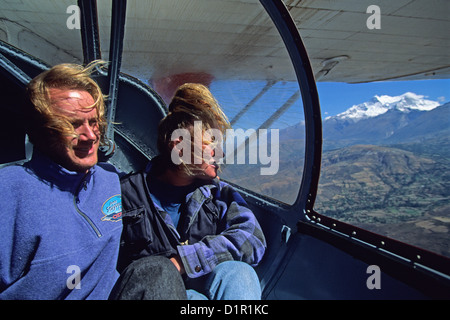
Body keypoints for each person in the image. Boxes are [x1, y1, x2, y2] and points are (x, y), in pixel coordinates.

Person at [0, 62, 186, 300]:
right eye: (73, 124)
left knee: (160, 272)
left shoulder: (110, 179)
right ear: (41, 130)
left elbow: (164, 188)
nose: (90, 135)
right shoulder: (9, 190)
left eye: (94, 121)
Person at [119, 83, 266, 300]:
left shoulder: (219, 195)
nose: (221, 153)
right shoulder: (126, 194)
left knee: (240, 273)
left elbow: (252, 238)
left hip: (204, 292)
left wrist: (188, 260)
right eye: (211, 144)